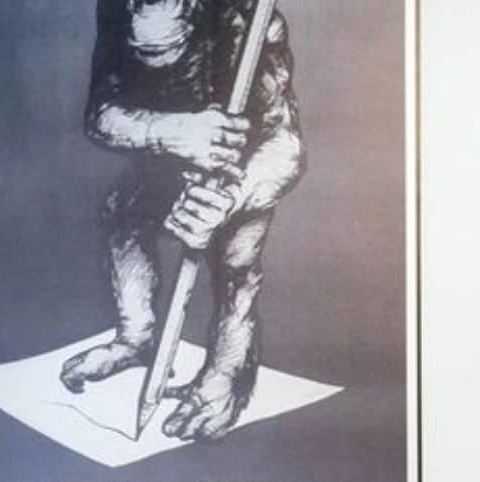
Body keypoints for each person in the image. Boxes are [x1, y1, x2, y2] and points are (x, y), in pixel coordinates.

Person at [59, 0, 306, 442]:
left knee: (237, 257)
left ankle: (226, 375)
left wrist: (228, 198)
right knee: (123, 212)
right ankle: (137, 340)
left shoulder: (249, 22)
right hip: (170, 153)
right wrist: (169, 132)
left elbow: (286, 146)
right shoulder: (116, 7)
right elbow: (100, 116)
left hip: (242, 167)